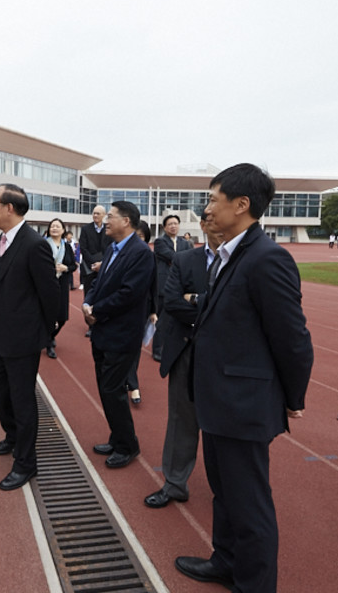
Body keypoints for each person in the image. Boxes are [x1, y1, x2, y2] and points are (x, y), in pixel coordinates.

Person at [175, 163, 313, 593]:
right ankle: (226, 561)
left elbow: (293, 340)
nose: (207, 208)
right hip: (218, 400)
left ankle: (254, 584)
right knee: (224, 492)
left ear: (242, 204)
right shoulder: (228, 255)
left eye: (214, 199)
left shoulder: (268, 259)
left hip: (243, 404)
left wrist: (293, 397)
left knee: (250, 505)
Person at [143, 212, 223, 509]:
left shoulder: (242, 261)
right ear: (202, 226)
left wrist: (197, 300)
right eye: (210, 219)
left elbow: (239, 309)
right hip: (186, 351)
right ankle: (175, 483)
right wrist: (210, 307)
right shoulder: (186, 258)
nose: (217, 224)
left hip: (224, 355)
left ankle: (227, 490)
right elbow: (173, 302)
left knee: (222, 424)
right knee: (181, 420)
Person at [0, 184, 59, 491]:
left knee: (22, 400)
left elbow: (50, 296)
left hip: (22, 339)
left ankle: (26, 463)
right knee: (1, 395)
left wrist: (43, 334)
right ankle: (12, 437)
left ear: (10, 208)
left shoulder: (33, 244)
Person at [82, 201, 155, 469]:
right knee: (106, 388)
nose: (106, 220)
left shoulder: (141, 253)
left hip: (121, 335)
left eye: (111, 216)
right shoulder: (112, 248)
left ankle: (128, 445)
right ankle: (117, 437)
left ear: (126, 221)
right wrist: (88, 304)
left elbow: (129, 294)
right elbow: (98, 284)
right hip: (103, 330)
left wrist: (97, 311)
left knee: (113, 390)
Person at [124, 220, 157, 405]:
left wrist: (153, 311)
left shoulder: (148, 256)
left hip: (141, 308)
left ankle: (133, 385)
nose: (136, 240)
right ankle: (125, 380)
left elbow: (154, 284)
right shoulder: (119, 254)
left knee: (134, 348)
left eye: (140, 237)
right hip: (121, 309)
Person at [152, 214, 193, 361]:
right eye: (170, 224)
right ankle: (157, 349)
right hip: (163, 286)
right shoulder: (159, 242)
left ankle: (169, 348)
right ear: (165, 227)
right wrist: (179, 259)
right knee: (161, 320)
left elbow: (187, 260)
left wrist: (178, 260)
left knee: (173, 320)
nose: (173, 226)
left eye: (176, 223)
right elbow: (172, 256)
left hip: (180, 286)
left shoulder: (185, 243)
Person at [44, 218, 77, 359]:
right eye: (52, 226)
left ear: (63, 230)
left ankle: (50, 336)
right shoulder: (43, 245)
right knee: (48, 315)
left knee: (62, 317)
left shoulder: (67, 247)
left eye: (58, 226)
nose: (55, 229)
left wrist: (66, 268)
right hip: (47, 284)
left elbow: (74, 265)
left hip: (62, 284)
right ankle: (48, 343)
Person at [78, 205, 109, 295]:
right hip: (89, 269)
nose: (95, 215)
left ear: (104, 215)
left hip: (104, 268)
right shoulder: (85, 229)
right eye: (94, 213)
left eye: (98, 213)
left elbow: (111, 247)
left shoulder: (109, 229)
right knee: (89, 295)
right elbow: (83, 248)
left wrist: (102, 263)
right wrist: (94, 264)